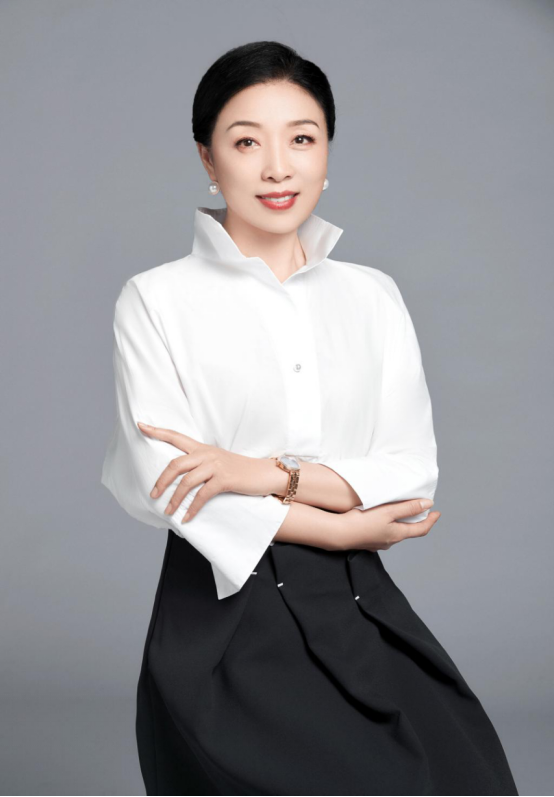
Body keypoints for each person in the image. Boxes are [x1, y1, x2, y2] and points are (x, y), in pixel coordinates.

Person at [101, 40, 519, 797]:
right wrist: (338, 528)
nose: (277, 167)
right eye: (246, 142)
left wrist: (258, 472)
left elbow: (409, 473)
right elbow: (170, 484)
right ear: (207, 158)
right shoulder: (156, 299)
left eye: (301, 138)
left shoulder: (372, 296)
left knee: (468, 773)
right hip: (224, 618)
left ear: (326, 155)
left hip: (359, 602)